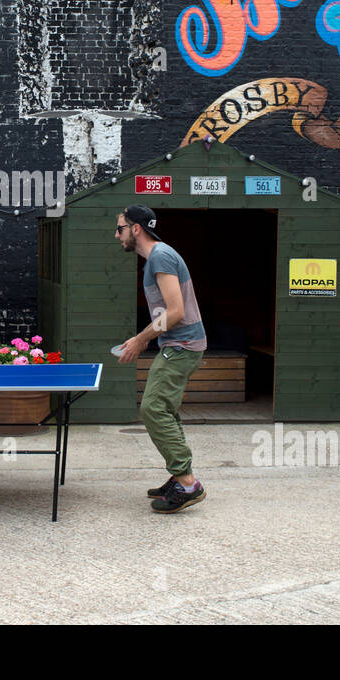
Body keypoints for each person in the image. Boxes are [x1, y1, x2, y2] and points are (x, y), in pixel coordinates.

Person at [114, 205, 208, 513]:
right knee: (163, 407)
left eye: (120, 229)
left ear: (136, 229)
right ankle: (179, 476)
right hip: (177, 343)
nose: (117, 235)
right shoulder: (157, 258)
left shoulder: (161, 257)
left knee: (153, 409)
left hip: (183, 346)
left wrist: (141, 341)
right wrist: (141, 337)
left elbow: (176, 311)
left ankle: (187, 483)